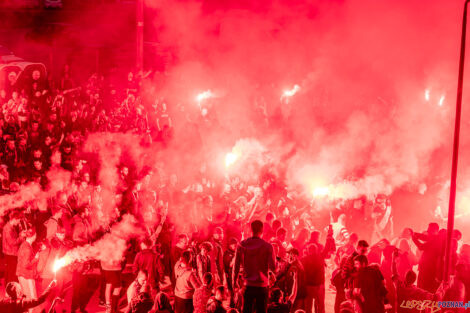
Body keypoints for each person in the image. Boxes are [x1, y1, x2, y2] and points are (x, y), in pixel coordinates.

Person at [233, 220, 276, 313]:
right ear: (262, 231)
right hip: (262, 285)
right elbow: (273, 267)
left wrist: (234, 281)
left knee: (246, 310)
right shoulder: (268, 246)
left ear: (250, 230)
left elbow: (235, 266)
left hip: (247, 285)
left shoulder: (241, 245)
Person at [16, 227, 39, 312]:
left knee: (26, 297)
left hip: (22, 274)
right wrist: (35, 259)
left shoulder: (24, 244)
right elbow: (26, 264)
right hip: (27, 275)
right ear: (34, 236)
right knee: (32, 298)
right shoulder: (27, 248)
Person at [2, 211, 24, 283]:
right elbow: (12, 242)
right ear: (14, 219)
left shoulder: (10, 227)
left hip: (10, 253)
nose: (18, 222)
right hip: (11, 254)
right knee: (11, 273)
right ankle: (10, 290)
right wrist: (21, 237)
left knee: (9, 273)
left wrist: (20, 234)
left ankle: (8, 290)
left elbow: (13, 238)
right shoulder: (8, 228)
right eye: (18, 220)